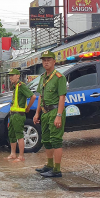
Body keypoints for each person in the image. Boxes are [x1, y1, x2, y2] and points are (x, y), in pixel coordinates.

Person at [34, 50, 67, 178]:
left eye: (48, 60)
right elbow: (40, 97)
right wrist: (37, 113)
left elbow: (62, 97)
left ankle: (57, 170)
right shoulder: (43, 77)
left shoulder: (59, 77)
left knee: (56, 141)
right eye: (44, 60)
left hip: (54, 112)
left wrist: (59, 115)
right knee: (46, 140)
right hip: (45, 112)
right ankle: (49, 165)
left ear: (54, 62)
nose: (46, 62)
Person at [5, 69, 36, 162]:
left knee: (19, 135)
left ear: (18, 76)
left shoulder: (21, 86)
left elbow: (33, 96)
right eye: (10, 75)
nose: (10, 77)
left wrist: (28, 108)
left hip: (19, 115)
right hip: (13, 115)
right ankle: (13, 154)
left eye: (12, 75)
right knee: (11, 134)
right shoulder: (15, 87)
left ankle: (21, 156)